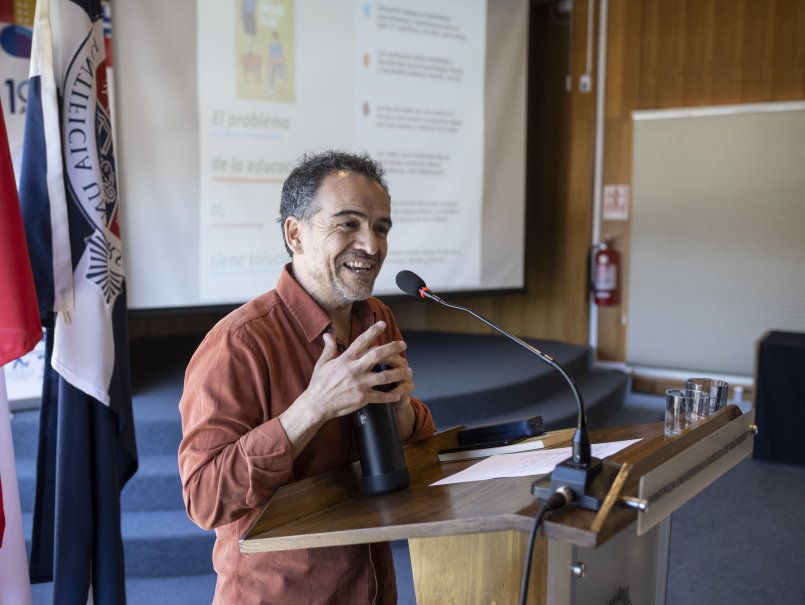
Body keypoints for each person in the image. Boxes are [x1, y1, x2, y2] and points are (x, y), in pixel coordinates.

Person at [178, 150, 435, 604]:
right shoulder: (237, 344)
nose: (371, 246)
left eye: (380, 228)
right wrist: (312, 409)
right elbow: (204, 500)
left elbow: (414, 445)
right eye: (348, 224)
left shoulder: (375, 318)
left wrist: (403, 414)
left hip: (372, 586)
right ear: (295, 234)